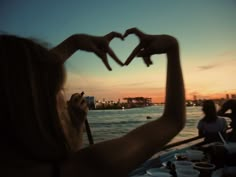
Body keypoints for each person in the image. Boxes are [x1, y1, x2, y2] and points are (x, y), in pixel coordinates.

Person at [0, 27, 186, 177]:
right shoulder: (86, 168)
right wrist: (172, 47)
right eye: (59, 88)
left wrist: (74, 43)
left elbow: (19, 79)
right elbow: (172, 120)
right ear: (39, 110)